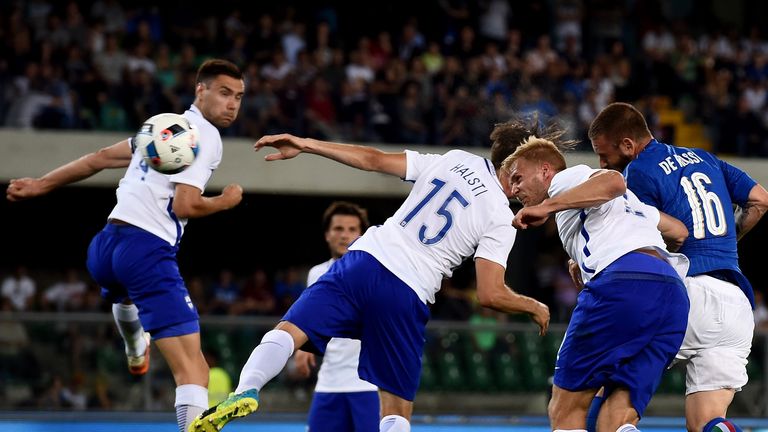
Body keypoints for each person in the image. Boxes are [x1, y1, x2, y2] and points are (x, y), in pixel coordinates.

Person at [190, 123, 551, 432]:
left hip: (364, 260)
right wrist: (532, 305)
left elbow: (374, 159)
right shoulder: (501, 216)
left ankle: (246, 389)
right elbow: (489, 293)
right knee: (396, 409)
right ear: (520, 164)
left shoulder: (455, 159)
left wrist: (307, 144)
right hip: (407, 290)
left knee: (288, 331)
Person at [6, 58, 245, 432]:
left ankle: (135, 347)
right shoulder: (205, 137)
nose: (232, 104)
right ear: (201, 90)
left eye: (239, 97)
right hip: (147, 251)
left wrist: (41, 184)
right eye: (225, 93)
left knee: (126, 295)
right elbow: (185, 206)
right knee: (194, 371)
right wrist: (226, 201)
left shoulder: (162, 126)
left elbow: (100, 158)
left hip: (104, 247)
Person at [588, 102, 768, 432]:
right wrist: (727, 240)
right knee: (707, 422)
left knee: (606, 413)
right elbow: (760, 199)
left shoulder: (637, 172)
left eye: (603, 154)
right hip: (735, 304)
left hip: (684, 295)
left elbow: (649, 238)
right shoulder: (705, 158)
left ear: (627, 145)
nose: (602, 164)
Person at [504, 136, 690, 432]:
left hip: (624, 284)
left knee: (565, 409)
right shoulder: (632, 206)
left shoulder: (564, 180)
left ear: (545, 171)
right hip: (672, 294)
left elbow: (614, 181)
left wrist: (547, 207)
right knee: (616, 419)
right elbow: (679, 231)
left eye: (518, 178)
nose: (514, 189)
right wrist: (590, 258)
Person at [293, 200, 379, 432]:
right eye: (338, 228)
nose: (344, 235)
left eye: (352, 229)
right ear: (327, 235)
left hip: (369, 385)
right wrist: (304, 347)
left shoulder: (376, 273)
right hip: (329, 383)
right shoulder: (317, 274)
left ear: (362, 235)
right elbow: (310, 319)